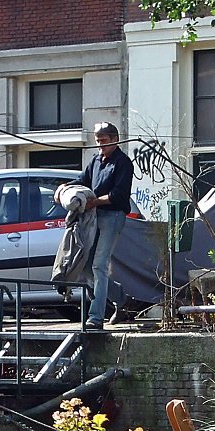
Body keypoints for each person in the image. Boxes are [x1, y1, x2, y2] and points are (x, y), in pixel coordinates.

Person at [75, 122, 133, 330]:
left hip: (113, 216)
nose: (100, 146)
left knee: (99, 264)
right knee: (86, 265)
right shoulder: (95, 161)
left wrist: (95, 201)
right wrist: (64, 188)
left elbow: (119, 195)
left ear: (115, 140)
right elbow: (82, 180)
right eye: (97, 142)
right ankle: (122, 300)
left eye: (104, 142)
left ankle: (95, 318)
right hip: (94, 217)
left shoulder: (124, 163)